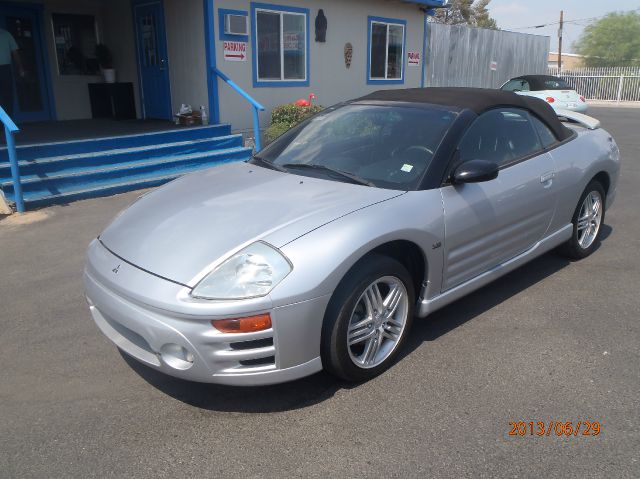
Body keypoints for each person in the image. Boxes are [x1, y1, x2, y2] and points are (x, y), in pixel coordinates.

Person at [0, 27, 24, 117]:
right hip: (5, 69)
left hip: (5, 68)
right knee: (7, 96)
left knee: (7, 96)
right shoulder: (6, 34)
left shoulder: (6, 34)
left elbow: (15, 53)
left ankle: (7, 122)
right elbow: (15, 53)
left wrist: (20, 68)